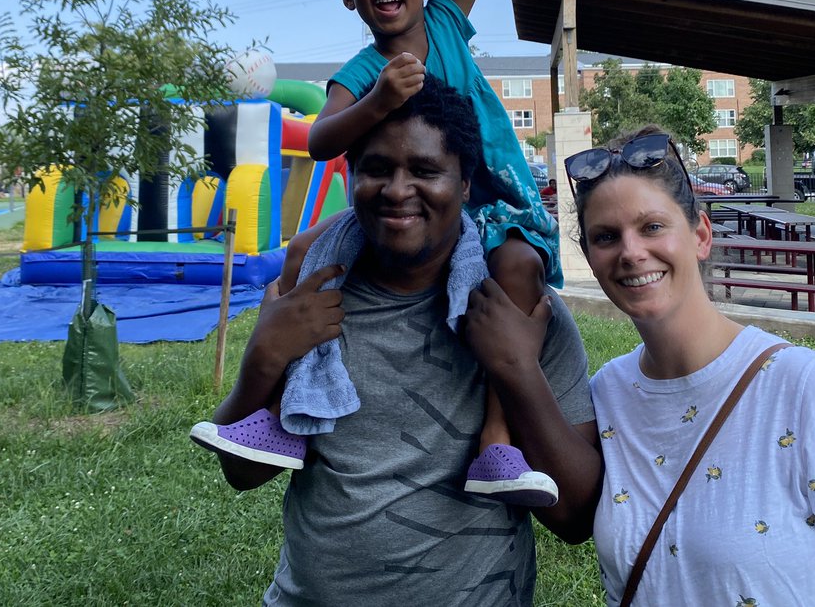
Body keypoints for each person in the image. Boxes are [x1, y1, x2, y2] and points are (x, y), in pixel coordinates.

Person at [195, 0, 562, 504]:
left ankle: (496, 440)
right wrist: (375, 102)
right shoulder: (360, 70)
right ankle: (282, 418)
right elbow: (327, 138)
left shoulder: (450, 22)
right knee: (303, 253)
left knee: (518, 266)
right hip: (401, 212)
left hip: (482, 201)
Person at [196, 78, 600, 605]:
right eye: (377, 168)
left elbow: (575, 517)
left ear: (465, 184)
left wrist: (516, 367)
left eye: (426, 170)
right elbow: (244, 471)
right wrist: (264, 356)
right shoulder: (308, 299)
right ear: (351, 174)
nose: (396, 189)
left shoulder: (520, 312)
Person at [563, 125, 815, 606]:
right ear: (588, 257)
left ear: (700, 235)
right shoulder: (606, 398)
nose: (630, 252)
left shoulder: (813, 393)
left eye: (652, 226)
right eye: (606, 236)